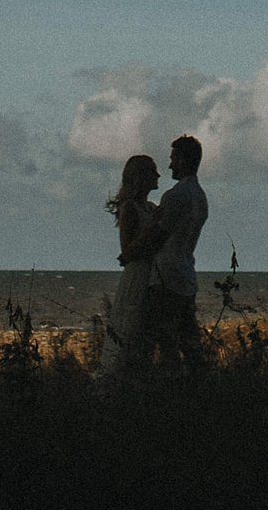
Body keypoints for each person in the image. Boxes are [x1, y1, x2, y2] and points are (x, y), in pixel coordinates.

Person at [142, 134, 209, 368]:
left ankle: (172, 387)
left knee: (164, 339)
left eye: (173, 158)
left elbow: (158, 237)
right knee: (190, 341)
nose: (169, 164)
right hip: (186, 275)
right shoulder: (200, 197)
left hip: (166, 277)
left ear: (182, 160)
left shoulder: (175, 195)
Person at [95, 153, 161, 381]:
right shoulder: (130, 208)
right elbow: (127, 248)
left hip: (152, 274)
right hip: (137, 274)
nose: (158, 175)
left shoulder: (151, 208)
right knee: (129, 326)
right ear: (141, 177)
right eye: (153, 171)